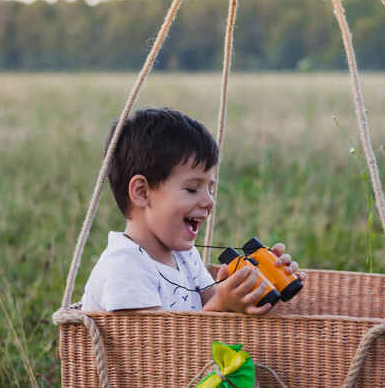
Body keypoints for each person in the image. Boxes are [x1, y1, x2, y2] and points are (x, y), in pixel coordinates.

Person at [80, 107, 305, 313]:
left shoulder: (184, 254)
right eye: (191, 189)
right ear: (142, 192)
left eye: (211, 188)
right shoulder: (125, 266)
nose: (209, 202)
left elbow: (211, 305)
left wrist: (261, 286)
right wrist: (221, 305)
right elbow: (156, 347)